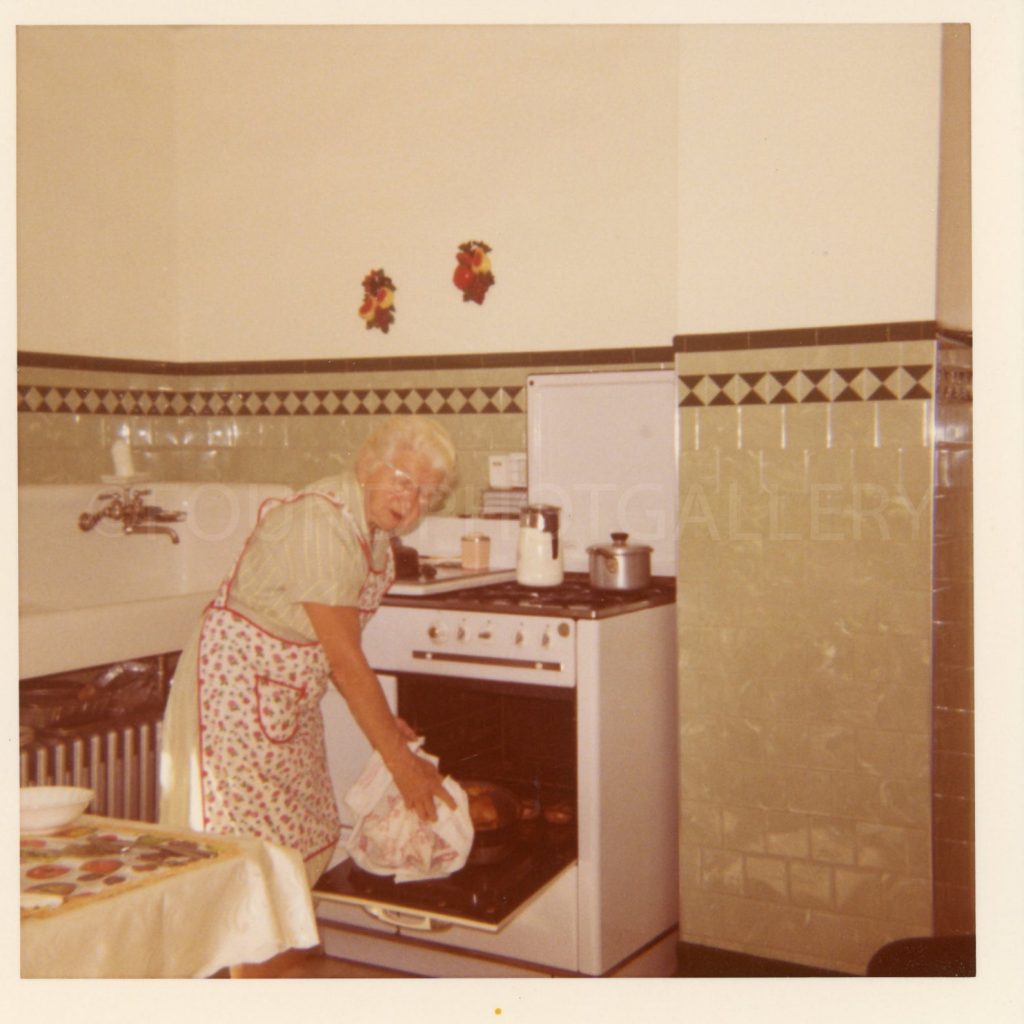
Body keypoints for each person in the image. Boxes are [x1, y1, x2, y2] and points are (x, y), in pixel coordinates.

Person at [158, 416, 459, 891]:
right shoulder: (322, 523)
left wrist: (385, 726)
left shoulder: (373, 529)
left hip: (286, 697)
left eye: (426, 493)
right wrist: (401, 763)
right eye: (403, 481)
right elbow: (345, 658)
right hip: (235, 698)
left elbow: (336, 646)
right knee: (250, 860)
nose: (411, 501)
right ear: (367, 466)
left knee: (302, 839)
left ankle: (280, 958)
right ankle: (262, 963)